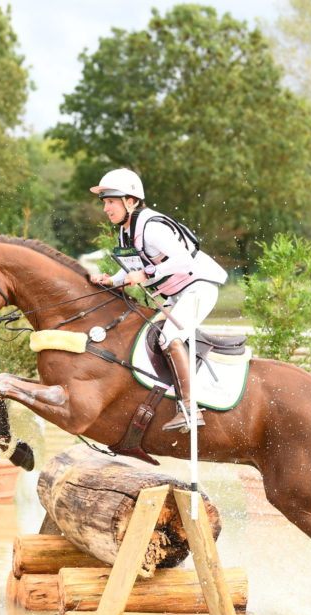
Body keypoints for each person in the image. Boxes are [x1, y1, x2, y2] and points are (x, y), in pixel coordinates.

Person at [88, 169, 227, 432]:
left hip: (200, 287)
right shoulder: (126, 232)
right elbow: (130, 269)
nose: (106, 208)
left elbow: (183, 260)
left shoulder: (151, 228)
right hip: (179, 294)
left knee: (169, 337)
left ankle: (189, 407)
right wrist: (111, 280)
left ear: (130, 201)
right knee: (149, 333)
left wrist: (146, 273)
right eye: (104, 202)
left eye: (111, 201)